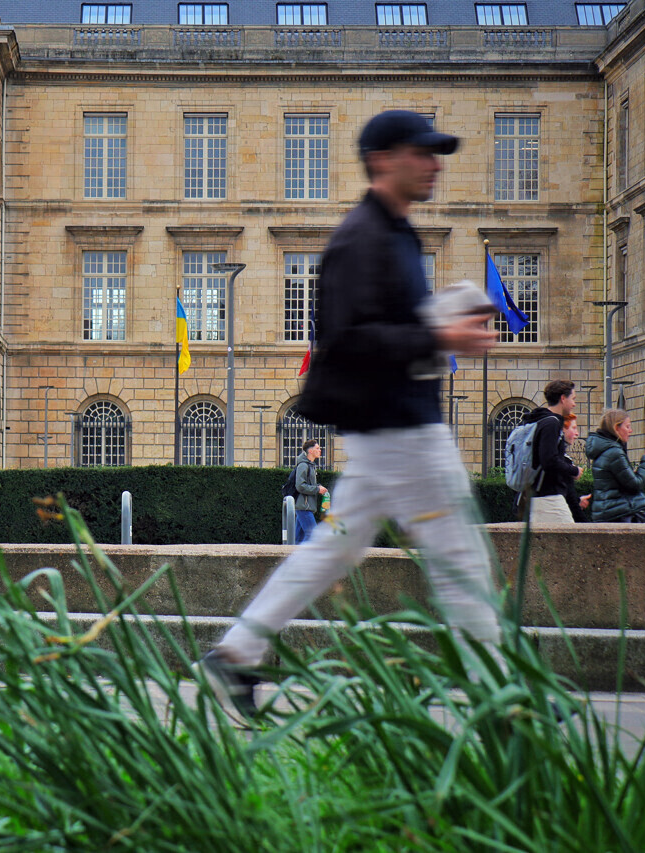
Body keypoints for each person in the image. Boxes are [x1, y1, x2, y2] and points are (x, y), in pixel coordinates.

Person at [199, 110, 500, 720]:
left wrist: (435, 326)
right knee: (460, 557)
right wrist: (439, 333)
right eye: (423, 153)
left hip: (390, 426)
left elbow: (380, 331)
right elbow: (351, 341)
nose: (435, 164)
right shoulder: (364, 238)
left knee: (334, 550)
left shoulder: (392, 233)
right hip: (401, 428)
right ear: (384, 159)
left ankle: (237, 652)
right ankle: (502, 696)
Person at [518, 379, 581, 525]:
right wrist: (573, 470)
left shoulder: (539, 420)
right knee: (571, 541)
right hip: (549, 498)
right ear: (563, 398)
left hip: (536, 495)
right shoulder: (551, 423)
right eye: (573, 398)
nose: (574, 404)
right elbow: (549, 460)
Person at [585, 409, 645, 523]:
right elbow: (635, 484)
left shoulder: (603, 450)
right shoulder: (614, 453)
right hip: (620, 514)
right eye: (627, 427)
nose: (630, 431)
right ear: (616, 428)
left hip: (606, 513)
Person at [292, 439, 328, 543]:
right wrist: (317, 489)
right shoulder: (304, 465)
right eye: (317, 448)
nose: (320, 450)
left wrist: (319, 487)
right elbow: (300, 486)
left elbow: (306, 484)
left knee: (299, 539)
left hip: (304, 506)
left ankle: (296, 558)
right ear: (311, 451)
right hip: (304, 506)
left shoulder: (310, 465)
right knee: (313, 536)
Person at [559, 415, 591, 522]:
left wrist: (578, 501)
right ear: (563, 429)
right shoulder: (564, 461)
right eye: (573, 428)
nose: (577, 433)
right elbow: (570, 498)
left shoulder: (560, 458)